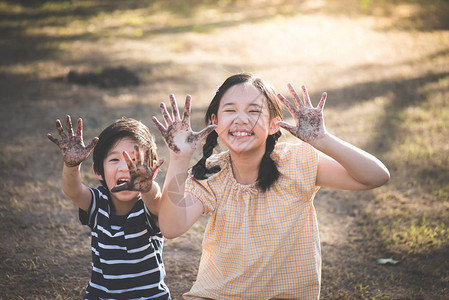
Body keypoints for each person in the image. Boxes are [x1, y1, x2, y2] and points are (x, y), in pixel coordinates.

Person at [152, 73, 390, 299]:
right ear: (215, 122)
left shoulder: (296, 163)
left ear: (274, 125)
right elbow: (172, 228)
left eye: (254, 111)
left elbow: (376, 176)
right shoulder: (211, 174)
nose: (241, 119)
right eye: (230, 110)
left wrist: (323, 140)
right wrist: (179, 159)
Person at [47, 116, 171, 300]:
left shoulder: (148, 206)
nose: (125, 167)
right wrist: (72, 165)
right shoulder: (98, 203)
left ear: (151, 169)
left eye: (135, 160)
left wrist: (148, 186)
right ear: (98, 171)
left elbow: (155, 198)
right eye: (114, 160)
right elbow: (72, 191)